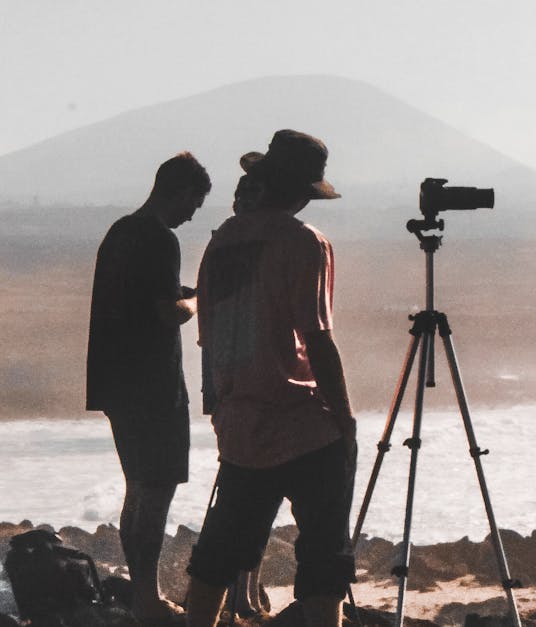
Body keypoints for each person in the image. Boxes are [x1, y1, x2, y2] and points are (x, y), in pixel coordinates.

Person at [186, 130, 356, 627]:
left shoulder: (221, 242)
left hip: (241, 424)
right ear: (304, 192)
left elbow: (208, 338)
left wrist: (219, 406)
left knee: (220, 546)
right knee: (324, 553)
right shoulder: (305, 242)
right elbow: (316, 337)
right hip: (304, 424)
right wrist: (343, 418)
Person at [85, 152, 211, 623]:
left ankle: (144, 595)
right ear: (179, 192)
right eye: (194, 203)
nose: (192, 214)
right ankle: (148, 600)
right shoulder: (161, 238)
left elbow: (140, 297)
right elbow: (165, 312)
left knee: (136, 489)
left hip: (117, 384)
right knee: (156, 493)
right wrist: (200, 299)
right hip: (153, 385)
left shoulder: (120, 231)